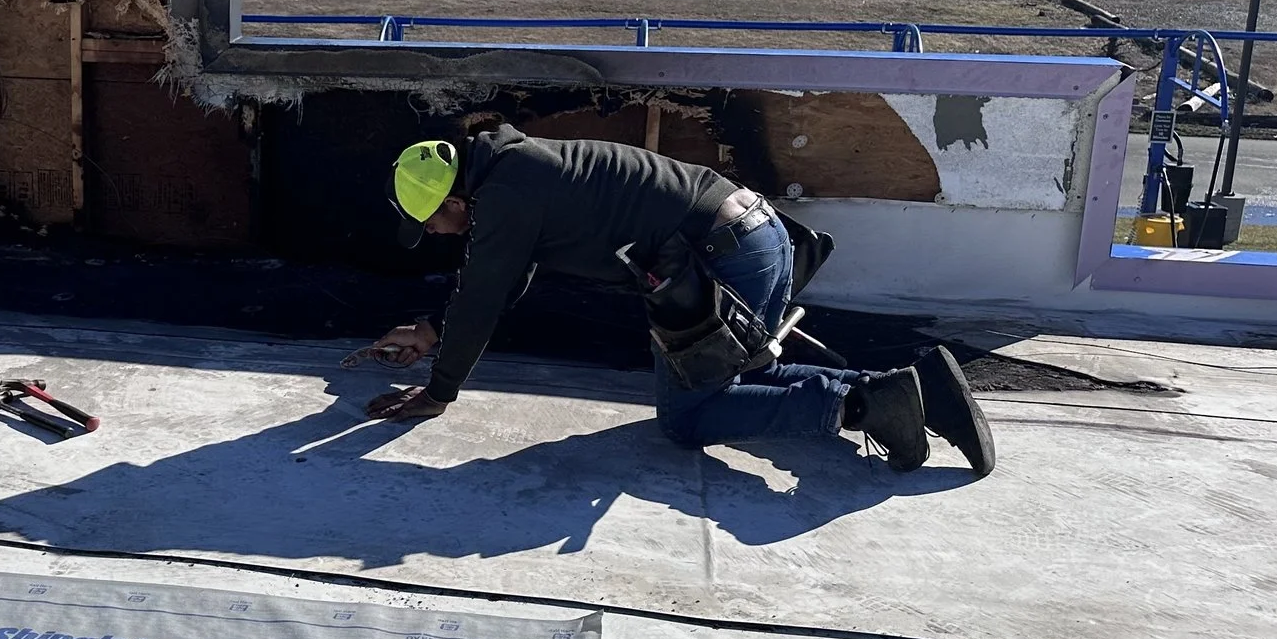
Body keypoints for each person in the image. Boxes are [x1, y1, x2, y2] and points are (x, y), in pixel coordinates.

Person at [357, 116, 993, 476]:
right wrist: (435, 332)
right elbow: (503, 282)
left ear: (455, 199)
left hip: (721, 262)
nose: (435, 235)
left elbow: (482, 295)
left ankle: (859, 405)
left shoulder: (507, 196)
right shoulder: (518, 170)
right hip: (759, 235)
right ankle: (910, 390)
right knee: (747, 378)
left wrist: (440, 391)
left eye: (432, 223)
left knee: (689, 417)